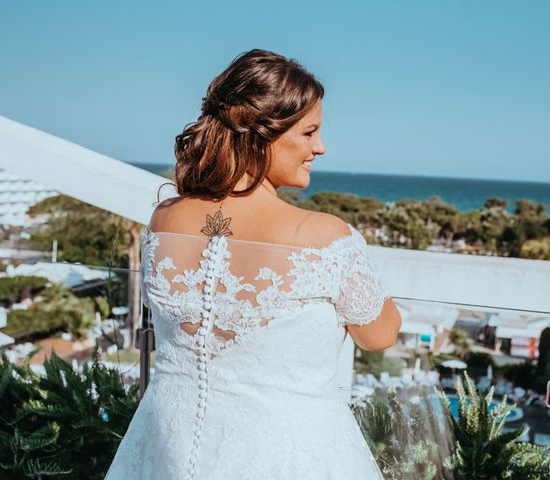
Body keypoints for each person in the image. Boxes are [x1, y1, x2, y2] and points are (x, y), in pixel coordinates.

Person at [105, 48, 402, 480]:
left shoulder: (165, 218)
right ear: (260, 135)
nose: (320, 148)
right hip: (286, 457)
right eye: (308, 133)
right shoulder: (322, 236)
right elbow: (380, 334)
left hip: (168, 447)